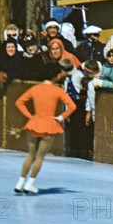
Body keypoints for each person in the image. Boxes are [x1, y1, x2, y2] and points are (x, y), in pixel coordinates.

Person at [14, 63, 77, 194]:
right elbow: (72, 106)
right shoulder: (58, 90)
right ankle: (30, 184)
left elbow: (19, 102)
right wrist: (61, 117)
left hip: (34, 124)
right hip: (49, 126)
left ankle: (20, 183)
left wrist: (30, 117)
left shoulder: (35, 89)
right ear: (55, 76)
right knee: (39, 157)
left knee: (30, 156)